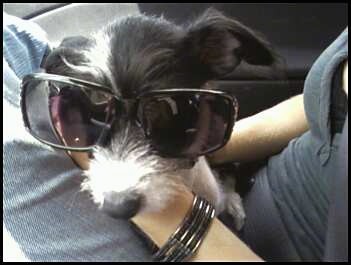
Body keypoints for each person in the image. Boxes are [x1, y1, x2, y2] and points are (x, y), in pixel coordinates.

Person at [3, 12, 348, 262]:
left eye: (164, 113)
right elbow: (322, 106)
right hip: (265, 186)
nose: (117, 188)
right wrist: (206, 153)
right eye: (98, 114)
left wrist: (190, 228)